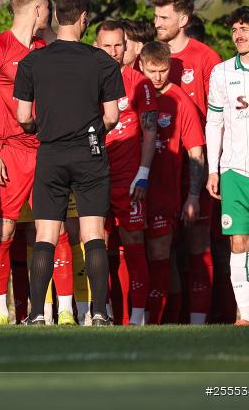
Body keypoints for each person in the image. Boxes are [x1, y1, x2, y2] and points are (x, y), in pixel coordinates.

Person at [13, 0, 124, 326]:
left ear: (57, 16)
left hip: (51, 154)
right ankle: (99, 312)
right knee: (93, 233)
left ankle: (36, 314)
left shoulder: (32, 61)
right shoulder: (102, 61)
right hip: (90, 152)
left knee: (45, 235)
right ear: (84, 18)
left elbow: (22, 116)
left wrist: (40, 127)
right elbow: (112, 116)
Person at [0, 0, 75, 326]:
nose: (51, 15)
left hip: (45, 150)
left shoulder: (47, 48)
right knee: (3, 232)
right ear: (37, 10)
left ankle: (64, 311)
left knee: (56, 230)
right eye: (47, 9)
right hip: (8, 151)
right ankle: (0, 312)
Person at [152, 0, 221, 324]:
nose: (157, 23)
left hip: (195, 165)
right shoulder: (152, 56)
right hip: (160, 168)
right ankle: (168, 321)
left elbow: (220, 116)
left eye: (163, 17)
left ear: (183, 19)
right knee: (162, 248)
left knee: (198, 244)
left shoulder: (206, 58)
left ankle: (198, 323)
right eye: (155, 17)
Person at [205, 5, 249, 326]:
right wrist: (213, 169)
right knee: (238, 242)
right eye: (234, 29)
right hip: (235, 172)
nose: (238, 35)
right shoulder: (221, 73)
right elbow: (214, 123)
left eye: (244, 28)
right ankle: (245, 316)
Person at [137, 42, 206, 324]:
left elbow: (196, 153)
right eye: (151, 71)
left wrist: (193, 196)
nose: (157, 77)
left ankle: (157, 324)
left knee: (160, 255)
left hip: (164, 194)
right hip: (129, 191)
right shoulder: (130, 94)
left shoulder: (180, 101)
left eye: (162, 70)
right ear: (141, 65)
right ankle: (131, 320)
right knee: (132, 255)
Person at [94, 20, 158, 325]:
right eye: (106, 45)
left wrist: (143, 173)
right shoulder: (87, 81)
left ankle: (137, 318)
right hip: (95, 176)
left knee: (133, 244)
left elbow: (150, 132)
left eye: (118, 45)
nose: (113, 51)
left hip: (129, 179)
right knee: (98, 244)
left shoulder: (140, 83)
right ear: (96, 47)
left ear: (126, 46)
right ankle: (101, 313)